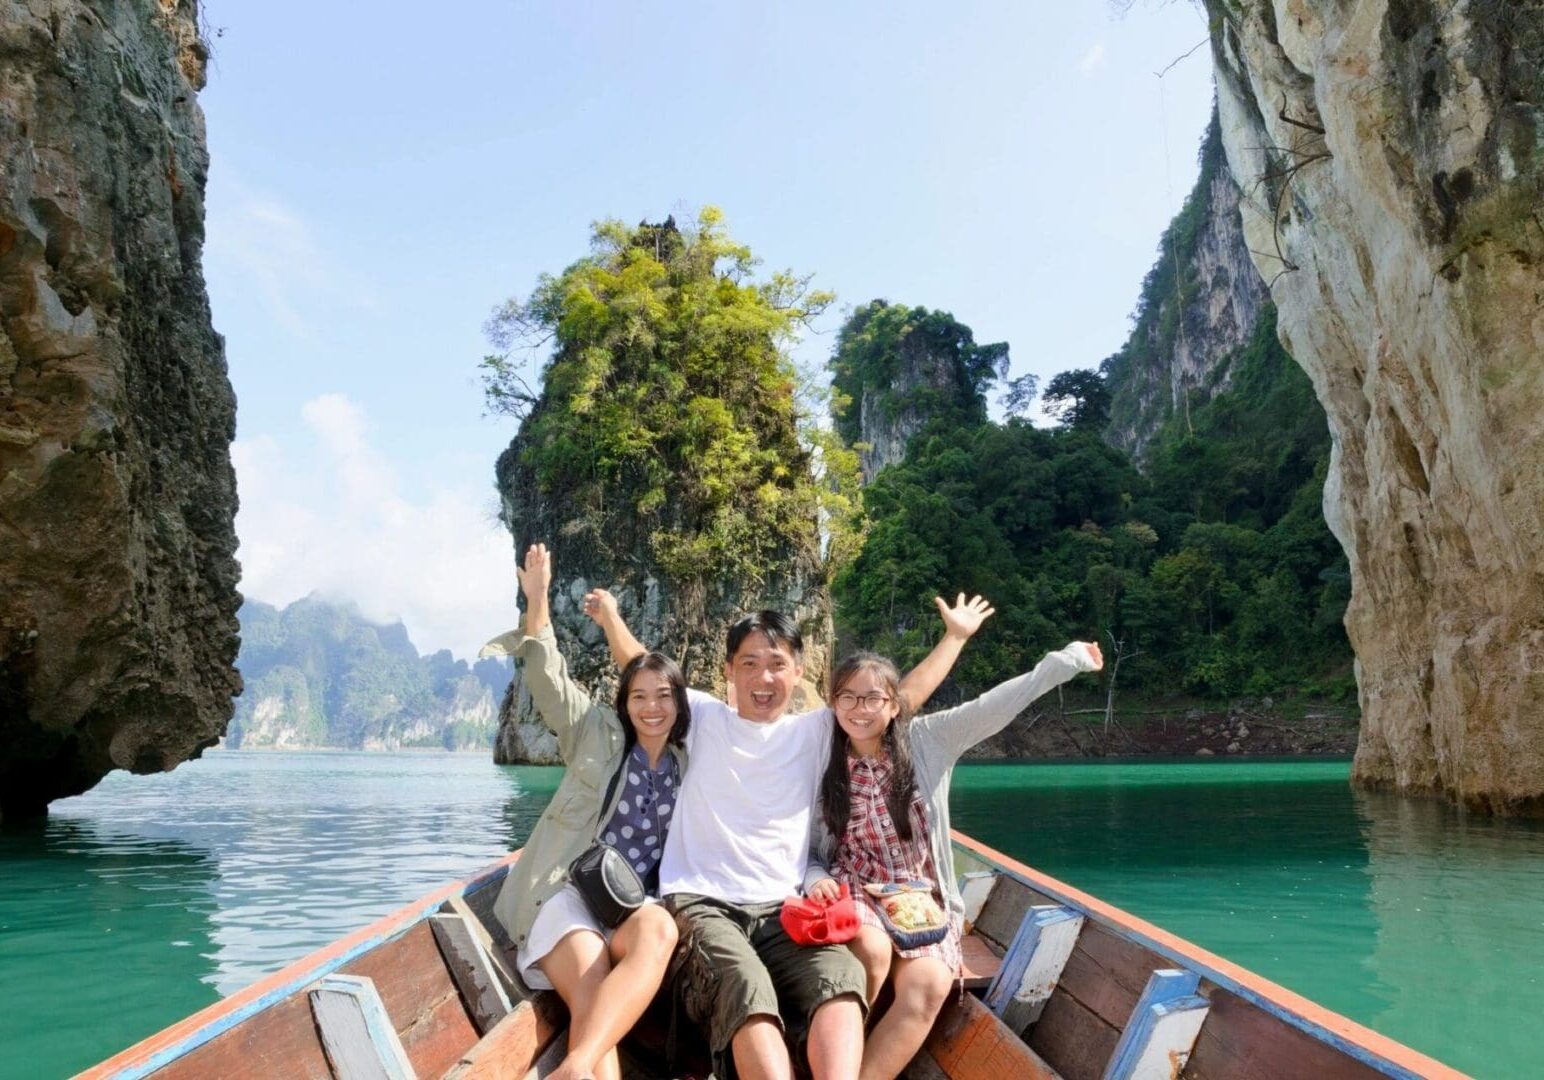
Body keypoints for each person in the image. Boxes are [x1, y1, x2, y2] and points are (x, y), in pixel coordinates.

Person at [586, 592, 995, 1080]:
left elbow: (897, 699)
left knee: (841, 981)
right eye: (750, 663)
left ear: (798, 671)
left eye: (777, 664)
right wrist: (611, 618)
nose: (764, 678)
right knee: (745, 986)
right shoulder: (702, 719)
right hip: (700, 900)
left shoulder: (817, 730)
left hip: (786, 908)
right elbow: (641, 668)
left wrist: (954, 637)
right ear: (729, 671)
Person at [805, 639, 1104, 1080]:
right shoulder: (821, 756)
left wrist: (1066, 662)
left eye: (872, 697)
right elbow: (811, 849)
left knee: (928, 985)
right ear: (833, 703)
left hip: (920, 897)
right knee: (868, 952)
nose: (859, 708)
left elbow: (995, 705)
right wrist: (814, 876)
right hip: (854, 884)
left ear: (894, 706)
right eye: (847, 696)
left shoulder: (927, 741)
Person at [482, 544, 689, 1080]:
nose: (651, 707)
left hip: (630, 902)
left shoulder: (690, 760)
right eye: (638, 695)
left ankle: (571, 1068)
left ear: (679, 703)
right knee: (594, 984)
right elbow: (547, 677)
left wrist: (614, 619)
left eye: (663, 696)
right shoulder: (593, 730)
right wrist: (538, 598)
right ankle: (580, 1069)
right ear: (623, 700)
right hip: (566, 892)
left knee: (660, 931)